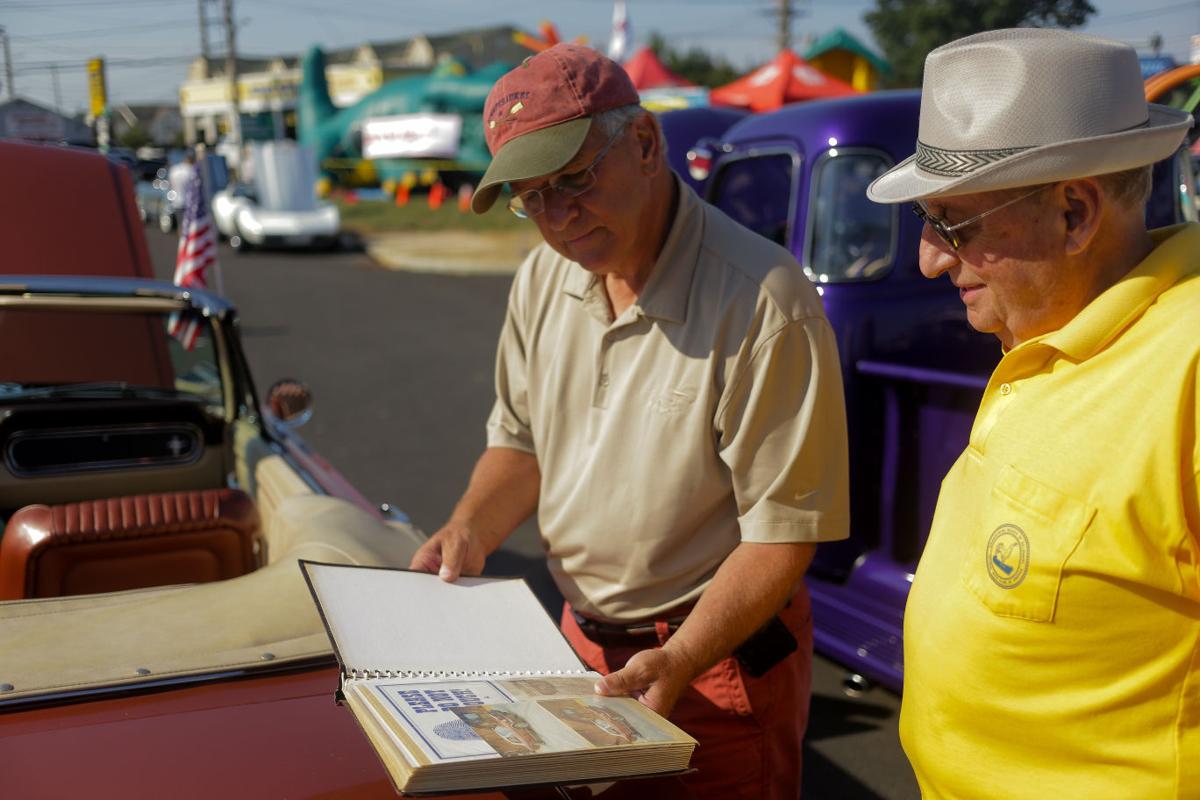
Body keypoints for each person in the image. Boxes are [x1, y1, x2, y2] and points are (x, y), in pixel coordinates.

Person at [409, 43, 849, 798]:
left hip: (715, 662)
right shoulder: (545, 277)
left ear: (645, 143)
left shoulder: (763, 300)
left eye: (574, 178)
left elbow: (785, 538)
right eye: (531, 197)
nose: (557, 216)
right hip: (581, 649)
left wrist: (680, 660)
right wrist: (469, 531)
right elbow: (519, 443)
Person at [866, 28, 1198, 798]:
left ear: (1075, 213)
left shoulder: (1190, 368)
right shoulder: (1046, 329)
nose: (929, 257)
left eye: (952, 222)